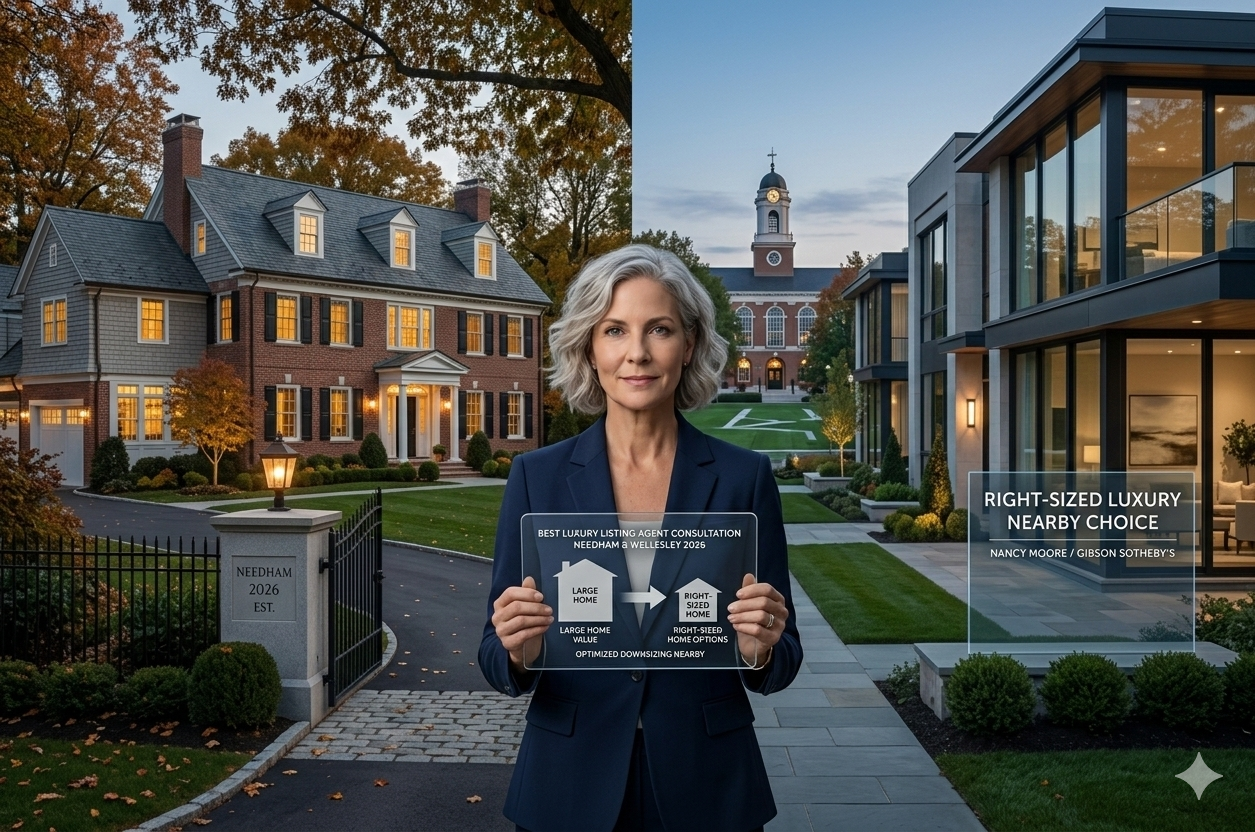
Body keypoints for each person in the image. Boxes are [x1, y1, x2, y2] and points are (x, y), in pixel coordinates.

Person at [479, 244, 802, 832]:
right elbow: (495, 656)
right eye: (614, 330)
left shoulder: (742, 479)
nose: (638, 353)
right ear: (588, 348)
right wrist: (517, 650)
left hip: (708, 785)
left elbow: (780, 662)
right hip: (568, 783)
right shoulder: (537, 478)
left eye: (660, 329)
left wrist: (761, 647)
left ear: (691, 346)